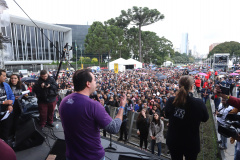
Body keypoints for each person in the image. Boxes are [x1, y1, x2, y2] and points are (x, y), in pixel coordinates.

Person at [59, 69, 126, 160]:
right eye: (94, 80)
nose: (96, 82)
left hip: (71, 156)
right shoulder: (93, 105)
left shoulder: (64, 101)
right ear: (88, 84)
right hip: (92, 156)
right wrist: (121, 107)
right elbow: (114, 128)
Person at [165, 75, 209, 160]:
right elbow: (205, 118)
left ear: (179, 86)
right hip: (191, 142)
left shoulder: (171, 101)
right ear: (192, 86)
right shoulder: (199, 103)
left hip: (174, 141)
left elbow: (167, 114)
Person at [0, 70, 15, 142]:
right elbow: (4, 101)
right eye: (4, 76)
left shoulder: (6, 85)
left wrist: (10, 105)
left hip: (6, 112)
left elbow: (12, 96)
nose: (6, 77)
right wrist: (3, 102)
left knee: (5, 131)